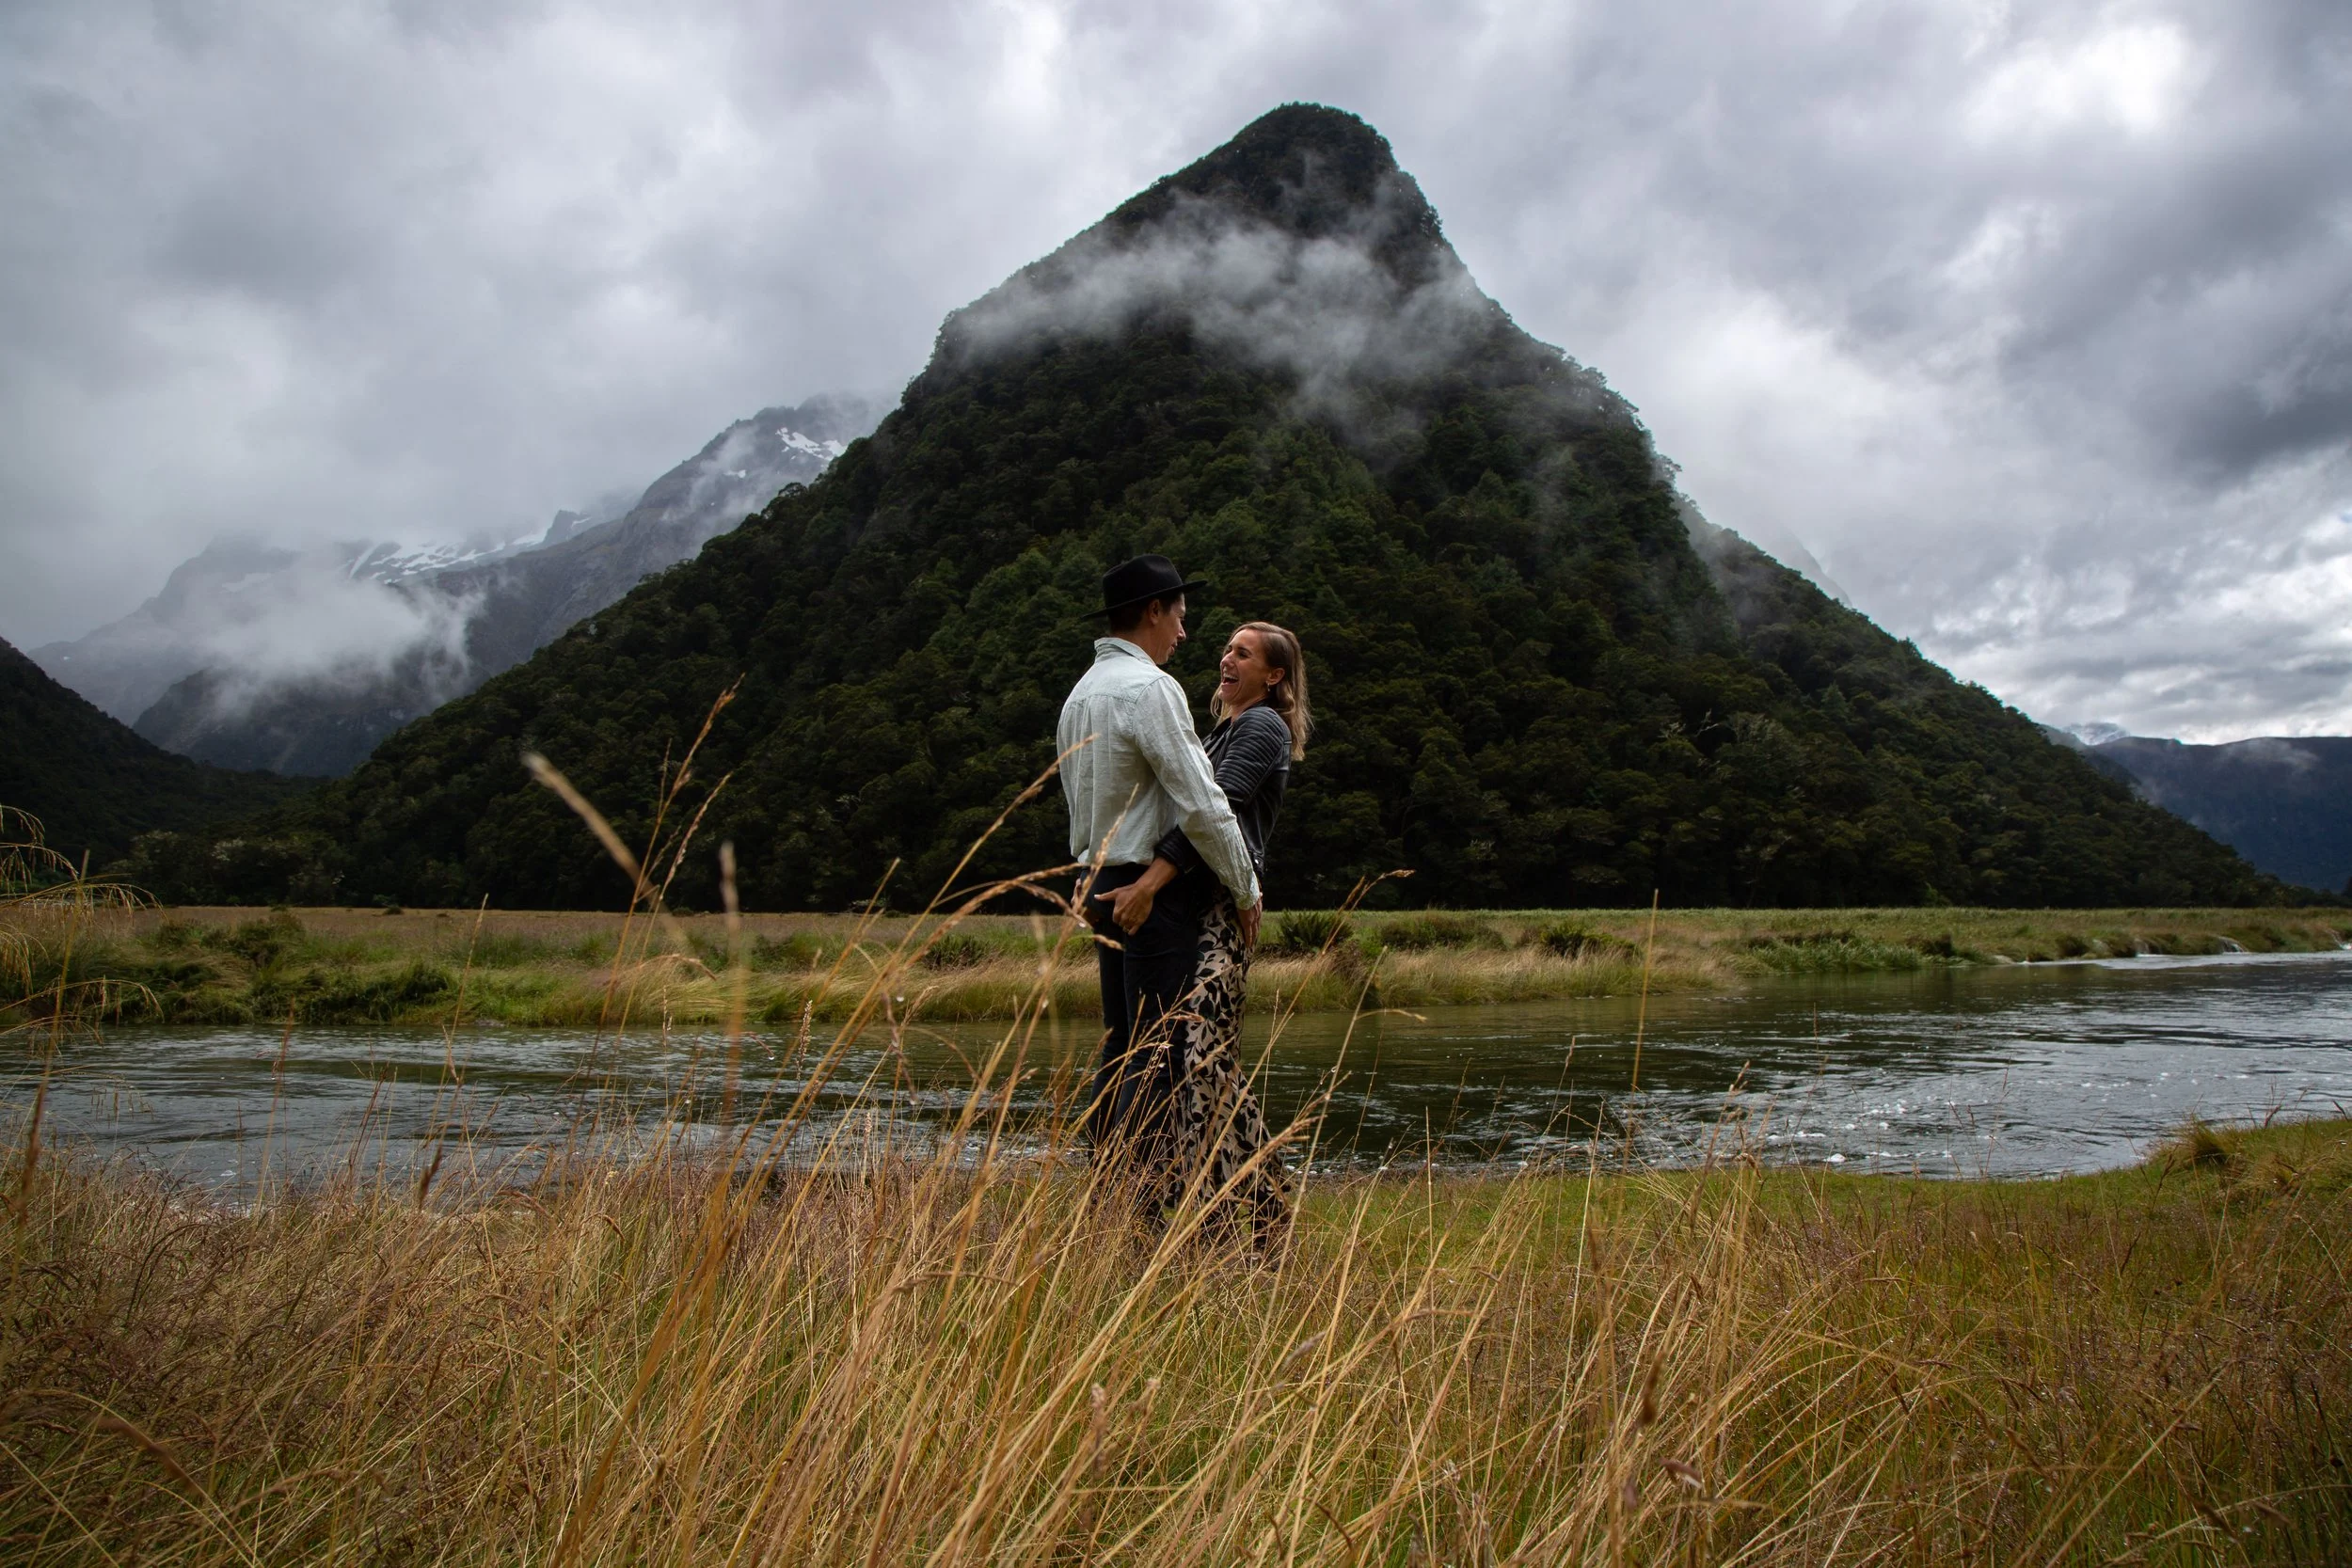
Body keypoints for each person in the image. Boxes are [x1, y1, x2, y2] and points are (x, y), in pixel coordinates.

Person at [1057, 556, 1263, 1199]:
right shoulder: (1150, 690)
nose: (1182, 633)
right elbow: (1204, 804)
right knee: (1156, 1054)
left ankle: (1107, 1195)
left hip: (1099, 881)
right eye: (1178, 616)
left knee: (1122, 1045)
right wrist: (1246, 888)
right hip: (1149, 893)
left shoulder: (1080, 694)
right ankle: (1138, 1215)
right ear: (1153, 611)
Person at [1100, 621, 1310, 1245]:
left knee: (1203, 1060)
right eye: (1228, 648)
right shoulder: (1223, 728)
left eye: (1244, 653)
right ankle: (1230, 1211)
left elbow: (1212, 807)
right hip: (1202, 907)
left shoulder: (1261, 726)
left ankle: (1246, 1210)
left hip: (1222, 910)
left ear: (1274, 677)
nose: (1227, 657)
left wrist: (1151, 884)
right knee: (1197, 1063)